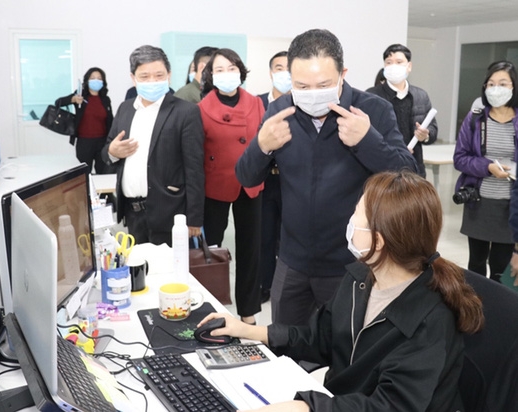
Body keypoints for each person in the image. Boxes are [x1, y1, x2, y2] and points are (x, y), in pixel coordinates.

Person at [199, 170, 484, 412]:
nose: (349, 222)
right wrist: (248, 331)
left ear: (379, 240)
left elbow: (389, 406)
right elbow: (320, 338)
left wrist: (306, 407)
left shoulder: (430, 319)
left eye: (356, 214)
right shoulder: (360, 278)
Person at [236, 29, 417, 326]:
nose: (312, 93)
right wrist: (262, 146)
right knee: (287, 349)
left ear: (343, 74)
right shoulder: (279, 110)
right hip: (292, 262)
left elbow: (410, 177)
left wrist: (366, 140)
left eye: (323, 85)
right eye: (301, 85)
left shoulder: (373, 109)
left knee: (347, 354)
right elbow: (245, 176)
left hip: (352, 264)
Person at [101, 45, 205, 246]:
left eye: (159, 75)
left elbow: (195, 168)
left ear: (169, 75)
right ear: (133, 78)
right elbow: (106, 152)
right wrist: (112, 152)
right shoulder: (125, 109)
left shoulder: (185, 112)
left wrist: (194, 218)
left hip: (170, 212)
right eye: (145, 76)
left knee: (167, 274)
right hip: (132, 213)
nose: (152, 82)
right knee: (139, 271)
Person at [198, 48, 265, 325]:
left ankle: (248, 312)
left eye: (232, 68)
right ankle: (211, 307)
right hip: (215, 184)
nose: (227, 74)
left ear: (241, 71)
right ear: (211, 76)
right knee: (211, 249)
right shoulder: (201, 108)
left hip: (250, 183)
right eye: (220, 70)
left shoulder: (257, 103)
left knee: (251, 250)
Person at [456, 60, 518, 281]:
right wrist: (488, 167)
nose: (496, 89)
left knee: (501, 267)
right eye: (490, 84)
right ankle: (474, 309)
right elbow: (460, 159)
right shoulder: (475, 119)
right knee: (476, 264)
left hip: (510, 206)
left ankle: (497, 311)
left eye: (502, 83)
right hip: (479, 201)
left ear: (514, 86)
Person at [367, 44, 438, 178]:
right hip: (383, 169)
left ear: (409, 66)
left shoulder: (421, 95)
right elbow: (367, 134)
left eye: (399, 62)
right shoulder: (371, 96)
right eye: (389, 62)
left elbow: (433, 129)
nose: (393, 66)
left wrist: (426, 135)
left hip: (414, 168)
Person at [257, 51, 291, 303]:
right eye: (279, 68)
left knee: (288, 236)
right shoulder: (258, 103)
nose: (284, 73)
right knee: (264, 236)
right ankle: (265, 286)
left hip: (291, 181)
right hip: (265, 180)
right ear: (271, 72)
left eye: (289, 68)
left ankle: (288, 285)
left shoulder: (301, 104)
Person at [55, 67, 113, 174]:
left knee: (104, 174)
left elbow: (110, 120)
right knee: (84, 175)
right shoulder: (80, 95)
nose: (96, 80)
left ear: (103, 82)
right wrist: (73, 99)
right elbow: (58, 102)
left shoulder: (105, 99)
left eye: (99, 78)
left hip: (103, 143)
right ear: (87, 80)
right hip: (84, 143)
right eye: (93, 78)